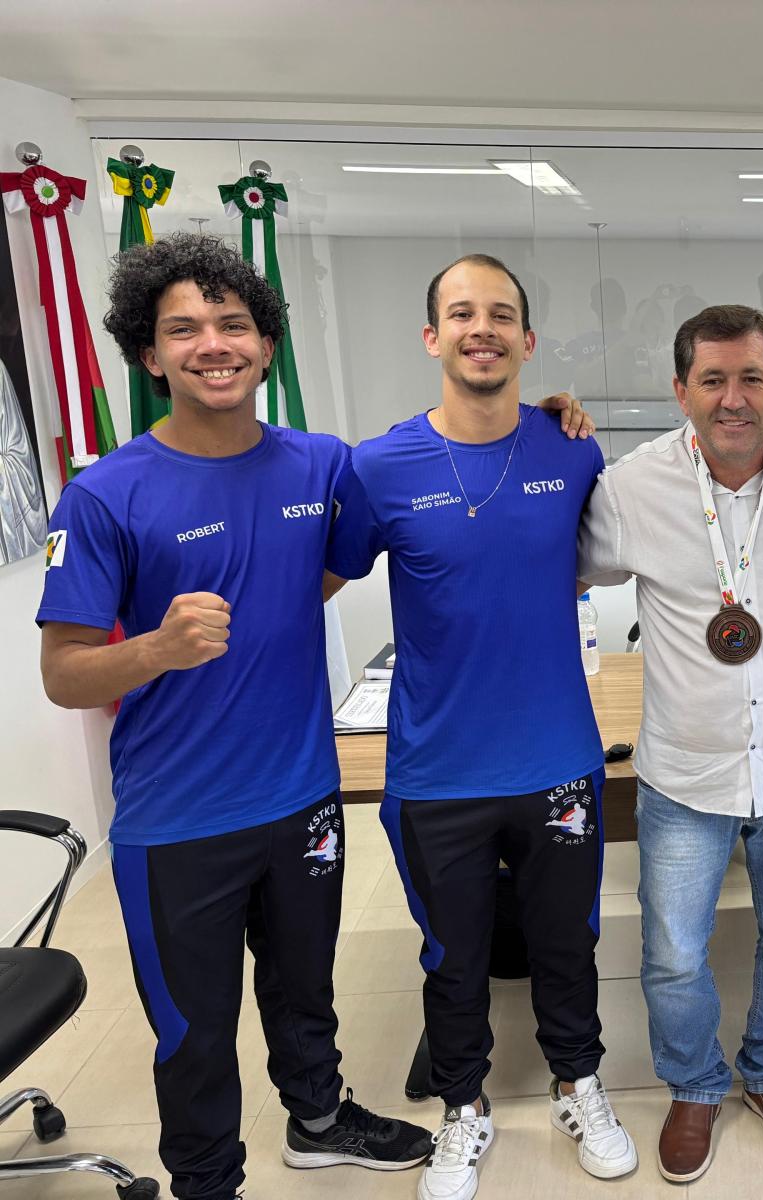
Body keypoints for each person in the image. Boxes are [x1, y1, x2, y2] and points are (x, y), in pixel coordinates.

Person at [36, 233, 432, 1200]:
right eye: (184, 328)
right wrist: (156, 651)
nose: (213, 343)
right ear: (149, 354)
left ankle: (321, 1120)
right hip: (179, 826)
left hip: (301, 799)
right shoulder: (103, 495)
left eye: (233, 323)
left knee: (307, 993)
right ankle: (207, 1182)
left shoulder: (322, 464)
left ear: (265, 344)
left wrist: (547, 419)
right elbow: (63, 675)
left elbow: (358, 541)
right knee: (195, 1030)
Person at [328, 253, 635, 1200]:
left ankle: (580, 1083)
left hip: (556, 762)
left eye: (501, 314)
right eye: (462, 313)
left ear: (527, 341)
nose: (482, 328)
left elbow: (607, 558)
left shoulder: (571, 446)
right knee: (451, 955)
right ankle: (462, 1108)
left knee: (566, 945)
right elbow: (315, 583)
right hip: (437, 772)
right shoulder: (377, 467)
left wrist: (571, 409)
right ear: (432, 337)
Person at [578, 304, 763, 1183]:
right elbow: (563, 570)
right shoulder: (632, 488)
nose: (732, 398)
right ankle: (697, 1084)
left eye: (751, 378)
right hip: (683, 765)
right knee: (671, 951)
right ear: (681, 391)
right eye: (712, 380)